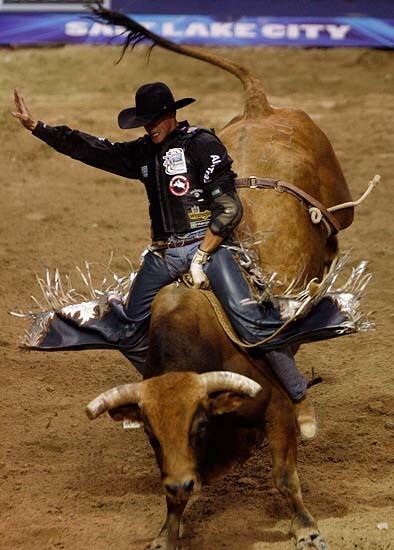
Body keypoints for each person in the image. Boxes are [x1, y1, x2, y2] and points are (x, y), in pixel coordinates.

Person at [13, 82, 319, 439]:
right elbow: (94, 149)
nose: (150, 127)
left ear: (171, 114)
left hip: (208, 248)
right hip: (162, 255)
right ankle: (163, 392)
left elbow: (229, 208)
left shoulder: (203, 145)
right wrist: (40, 129)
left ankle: (298, 396)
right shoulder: (144, 152)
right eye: (145, 121)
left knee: (252, 321)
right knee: (126, 328)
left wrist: (202, 257)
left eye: (155, 119)